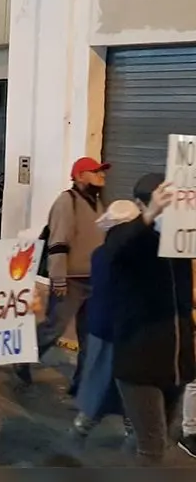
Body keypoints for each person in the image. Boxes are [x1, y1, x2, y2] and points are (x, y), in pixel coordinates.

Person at [106, 174, 193, 466]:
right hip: (139, 363)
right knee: (153, 448)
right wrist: (151, 215)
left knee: (155, 438)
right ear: (139, 205)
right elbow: (116, 252)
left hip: (176, 363)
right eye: (159, 204)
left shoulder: (182, 244)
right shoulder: (125, 238)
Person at [14, 157, 108, 389]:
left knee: (89, 334)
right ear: (80, 176)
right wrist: (58, 278)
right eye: (96, 172)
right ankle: (23, 357)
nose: (102, 176)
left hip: (94, 279)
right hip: (71, 280)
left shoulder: (97, 204)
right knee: (54, 328)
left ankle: (82, 381)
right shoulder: (67, 202)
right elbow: (58, 242)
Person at [70, 200, 136, 447]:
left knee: (112, 384)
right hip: (114, 330)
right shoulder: (116, 258)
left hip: (108, 328)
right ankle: (82, 430)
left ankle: (127, 427)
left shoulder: (102, 254)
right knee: (109, 384)